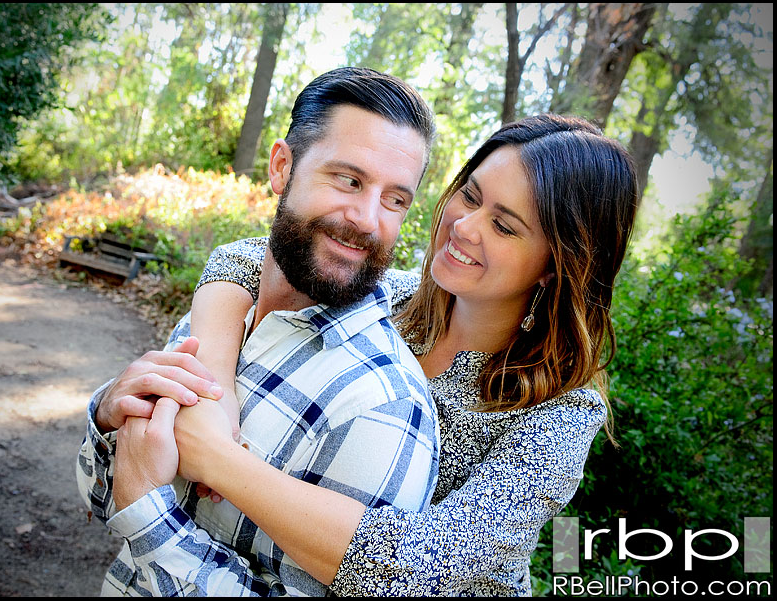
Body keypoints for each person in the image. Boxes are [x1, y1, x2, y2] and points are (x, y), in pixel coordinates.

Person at [164, 113, 640, 595]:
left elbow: (420, 565)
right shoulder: (390, 298)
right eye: (470, 196)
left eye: (503, 226)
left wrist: (217, 458)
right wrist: (214, 390)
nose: (465, 226)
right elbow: (247, 259)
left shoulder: (562, 410)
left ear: (556, 266)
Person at [75, 67, 442, 596]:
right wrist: (109, 417)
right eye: (349, 179)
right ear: (281, 167)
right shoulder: (220, 319)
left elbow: (131, 508)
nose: (367, 219)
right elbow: (95, 492)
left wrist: (144, 511)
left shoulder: (384, 408)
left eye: (394, 200)